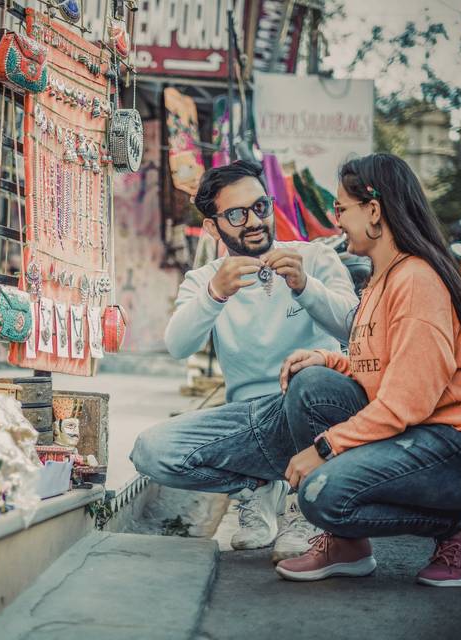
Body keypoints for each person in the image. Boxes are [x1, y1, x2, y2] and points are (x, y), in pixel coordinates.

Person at [275, 153, 461, 587]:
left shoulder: (417, 280)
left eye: (341, 209)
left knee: (320, 494)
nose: (336, 220)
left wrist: (326, 448)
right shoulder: (381, 280)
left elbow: (407, 399)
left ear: (374, 211)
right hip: (427, 429)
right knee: (311, 386)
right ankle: (348, 545)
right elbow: (391, 368)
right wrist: (330, 359)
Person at [131, 160, 358, 560]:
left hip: (313, 413)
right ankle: (256, 486)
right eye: (236, 214)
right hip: (250, 420)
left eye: (260, 207)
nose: (253, 221)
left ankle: (304, 507)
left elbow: (354, 331)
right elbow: (178, 345)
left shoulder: (314, 259)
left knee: (309, 380)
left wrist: (305, 287)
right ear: (213, 226)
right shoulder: (205, 280)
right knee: (150, 450)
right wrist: (214, 295)